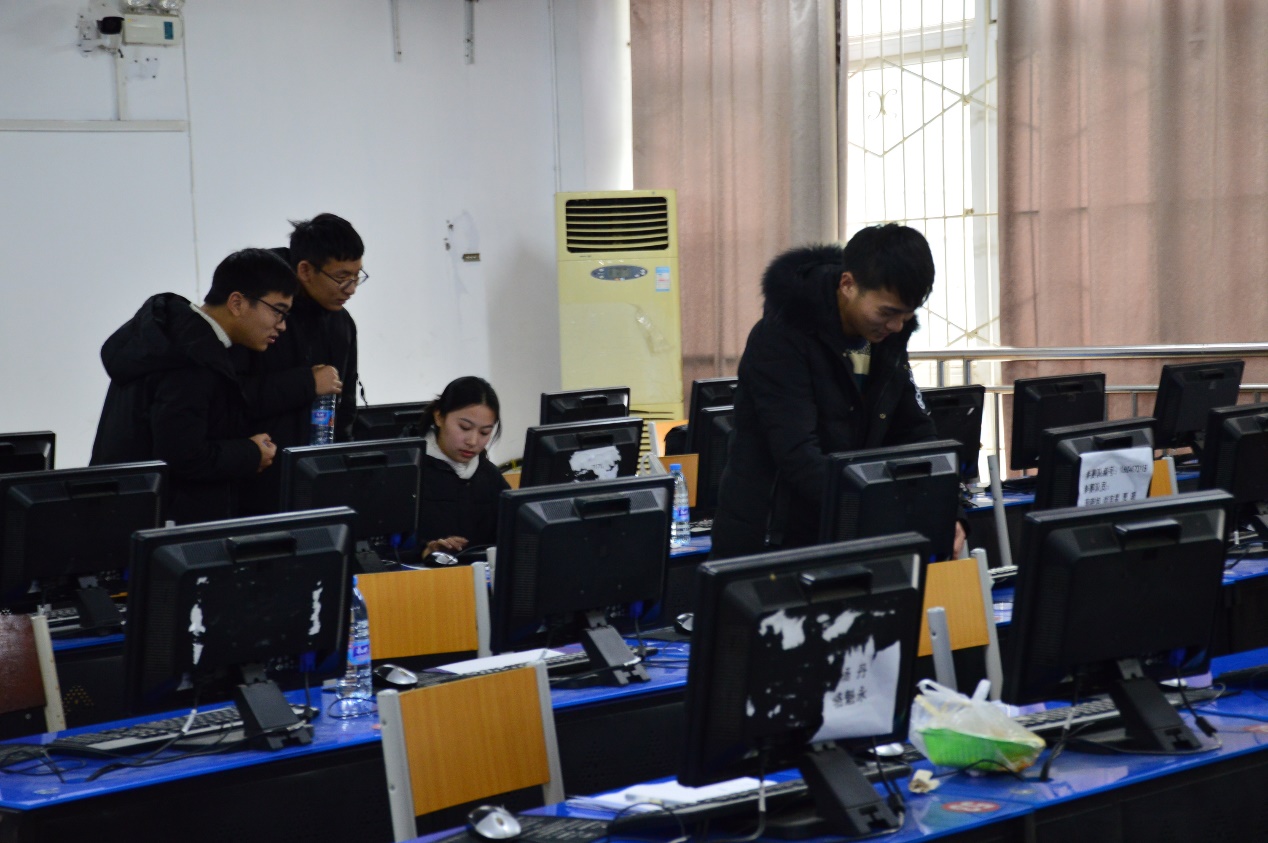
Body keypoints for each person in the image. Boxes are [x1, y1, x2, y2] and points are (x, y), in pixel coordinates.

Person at [710, 224, 966, 559]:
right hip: (772, 536)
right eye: (887, 312)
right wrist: (878, 510)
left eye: (907, 316)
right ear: (848, 285)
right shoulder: (781, 338)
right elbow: (798, 454)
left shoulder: (886, 340)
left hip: (845, 524)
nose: (896, 326)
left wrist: (947, 509)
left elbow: (915, 431)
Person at [90, 248, 296, 525]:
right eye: (278, 312)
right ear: (237, 303)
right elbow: (182, 457)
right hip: (158, 525)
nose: (282, 326)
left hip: (121, 511)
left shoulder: (171, 338)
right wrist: (250, 453)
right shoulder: (191, 360)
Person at [236, 212, 364, 513]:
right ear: (305, 270)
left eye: (357, 276)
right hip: (255, 479)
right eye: (341, 277)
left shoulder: (342, 324)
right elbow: (234, 397)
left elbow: (345, 407)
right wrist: (308, 383)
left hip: (317, 479)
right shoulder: (256, 316)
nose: (351, 288)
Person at [413, 376, 510, 562]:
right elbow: (384, 550)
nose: (473, 441)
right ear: (439, 416)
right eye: (464, 428)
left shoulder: (489, 476)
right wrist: (425, 551)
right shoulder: (411, 473)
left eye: (484, 432)